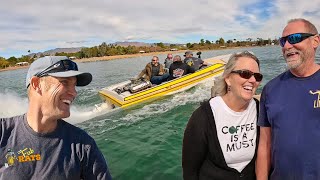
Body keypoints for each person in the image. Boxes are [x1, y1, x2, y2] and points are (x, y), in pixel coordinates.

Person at [0, 56, 112, 179]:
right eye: (64, 82)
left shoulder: (83, 145)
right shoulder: (3, 133)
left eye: (74, 85)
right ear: (36, 84)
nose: (74, 93)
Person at [182, 51, 263, 180]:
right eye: (245, 74)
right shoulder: (204, 116)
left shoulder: (260, 110)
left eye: (257, 76)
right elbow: (190, 170)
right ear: (228, 79)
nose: (253, 80)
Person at [256, 18, 320, 180]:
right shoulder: (270, 89)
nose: (286, 46)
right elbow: (264, 145)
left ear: (315, 41)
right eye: (282, 41)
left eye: (295, 38)